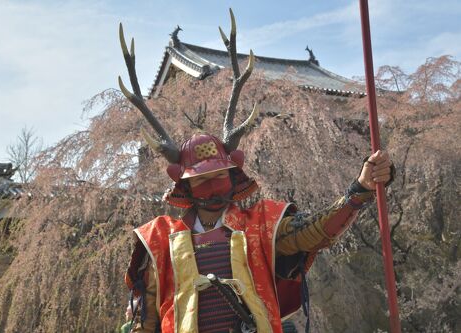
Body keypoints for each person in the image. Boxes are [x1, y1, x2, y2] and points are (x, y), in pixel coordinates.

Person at [117, 9, 394, 333]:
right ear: (185, 186)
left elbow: (317, 231)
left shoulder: (262, 224)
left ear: (234, 178)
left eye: (218, 177)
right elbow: (145, 319)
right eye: (201, 180)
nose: (213, 188)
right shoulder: (159, 239)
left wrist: (359, 188)